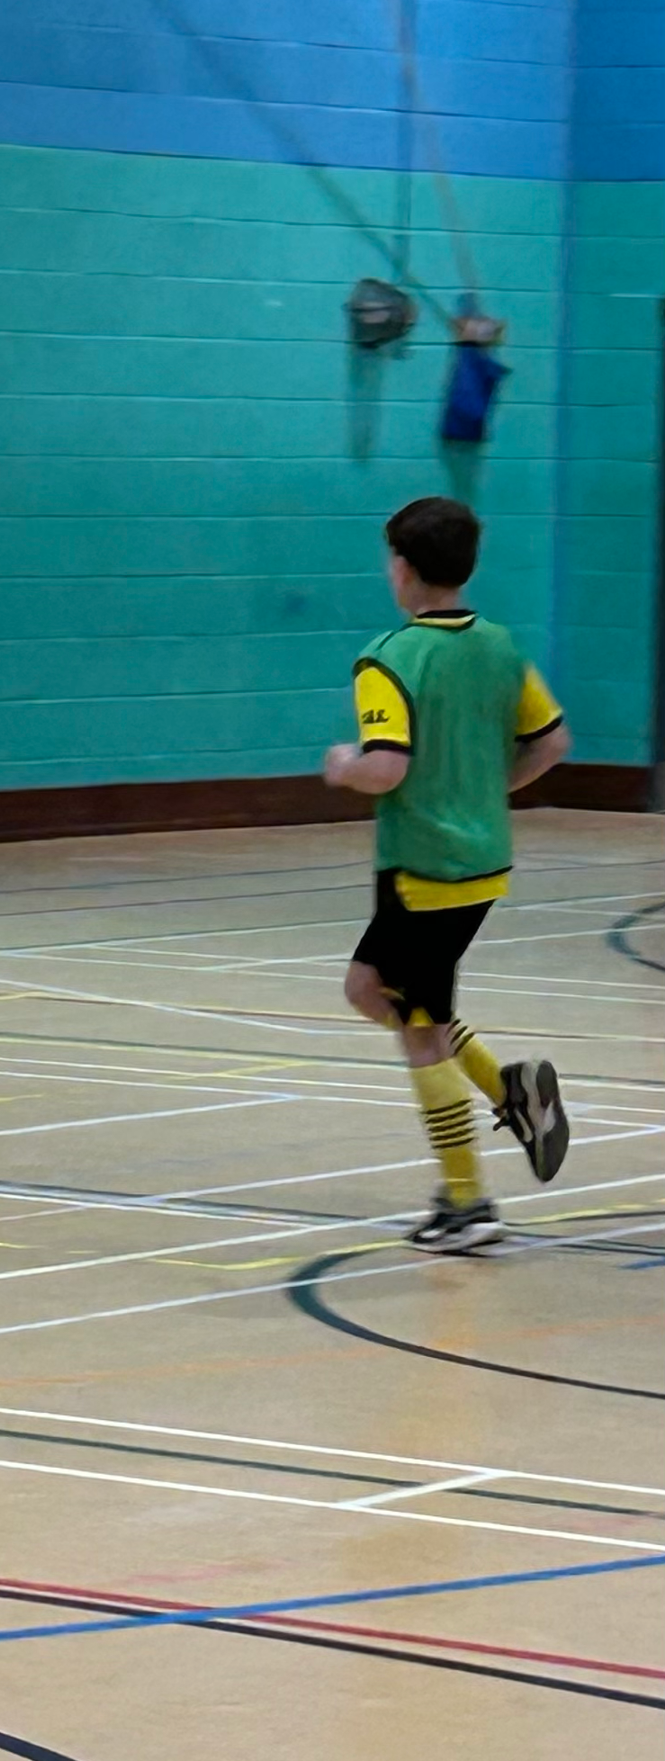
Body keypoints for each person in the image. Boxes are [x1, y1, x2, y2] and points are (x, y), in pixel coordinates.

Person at [322, 497, 573, 1251]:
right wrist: (487, 793)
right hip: (481, 862)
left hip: (424, 867)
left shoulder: (389, 659)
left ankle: (467, 1203)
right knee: (372, 990)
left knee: (419, 1027)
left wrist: (342, 769)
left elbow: (385, 767)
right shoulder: (500, 648)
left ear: (402, 568)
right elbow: (552, 742)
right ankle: (511, 1092)